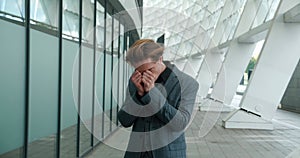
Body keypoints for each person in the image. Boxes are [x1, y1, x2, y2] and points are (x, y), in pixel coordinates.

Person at [117, 39, 199, 158]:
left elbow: (180, 123)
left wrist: (151, 92)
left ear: (160, 59)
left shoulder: (187, 83)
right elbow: (124, 121)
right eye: (139, 70)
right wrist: (139, 96)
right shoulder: (135, 80)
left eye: (149, 70)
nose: (144, 75)